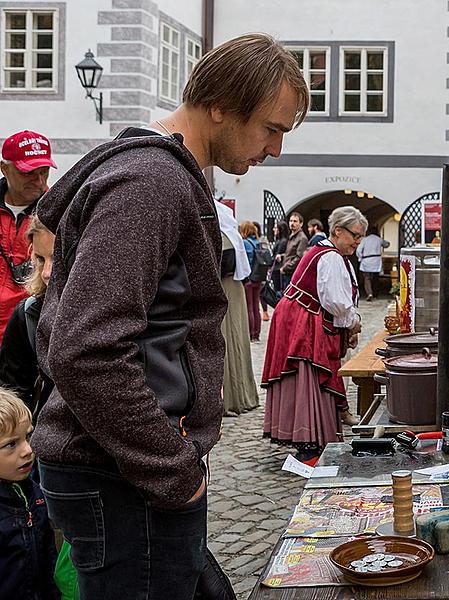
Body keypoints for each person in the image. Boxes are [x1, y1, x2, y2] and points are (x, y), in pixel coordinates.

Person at [32, 33, 309, 598]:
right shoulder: (150, 184)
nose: (275, 148)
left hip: (126, 468)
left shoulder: (161, 176)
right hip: (123, 475)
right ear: (220, 106)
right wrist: (172, 470)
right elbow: (86, 350)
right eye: (271, 128)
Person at [262, 206, 365, 460]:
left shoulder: (331, 254)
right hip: (302, 320)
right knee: (307, 375)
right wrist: (353, 321)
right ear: (338, 231)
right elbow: (335, 301)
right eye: (355, 235)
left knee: (305, 378)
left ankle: (311, 437)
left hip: (299, 316)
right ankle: (308, 440)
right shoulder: (329, 257)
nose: (358, 242)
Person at [0, 388, 59, 600]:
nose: (27, 450)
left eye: (27, 436)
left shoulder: (34, 492)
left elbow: (48, 555)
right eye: (10, 444)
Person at [0, 130, 56, 337]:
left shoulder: (58, 214)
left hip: (27, 336)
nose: (39, 181)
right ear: (4, 168)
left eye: (44, 172)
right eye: (28, 173)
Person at [0, 217, 54, 413]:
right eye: (41, 259)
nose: (46, 272)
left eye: (57, 257)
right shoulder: (29, 314)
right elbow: (13, 397)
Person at [217, 203, 258, 417]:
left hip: (224, 289)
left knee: (227, 342)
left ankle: (231, 399)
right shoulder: (232, 236)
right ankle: (241, 395)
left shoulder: (221, 237)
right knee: (236, 342)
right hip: (234, 289)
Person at [240, 220, 264, 342]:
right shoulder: (258, 242)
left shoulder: (245, 243)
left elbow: (246, 261)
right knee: (256, 306)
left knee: (249, 306)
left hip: (249, 278)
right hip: (258, 278)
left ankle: (250, 332)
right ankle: (257, 333)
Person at [264, 218, 290, 317]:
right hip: (276, 269)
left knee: (278, 290)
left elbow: (277, 255)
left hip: (277, 269)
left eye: (276, 228)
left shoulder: (282, 242)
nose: (274, 229)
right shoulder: (280, 240)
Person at [356, 225, 389, 301]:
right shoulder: (378, 239)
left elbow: (358, 250)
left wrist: (361, 258)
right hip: (376, 260)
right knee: (375, 278)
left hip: (366, 260)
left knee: (367, 278)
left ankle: (369, 293)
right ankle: (375, 294)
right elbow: (387, 244)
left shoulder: (365, 240)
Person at [280, 211, 308, 280]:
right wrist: (282, 256)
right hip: (287, 272)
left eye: (295, 221)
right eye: (291, 221)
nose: (292, 223)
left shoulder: (302, 238)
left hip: (292, 273)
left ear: (301, 224)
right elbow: (291, 254)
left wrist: (285, 268)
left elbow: (299, 257)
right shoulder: (292, 236)